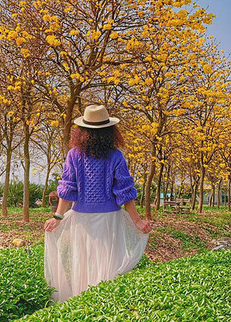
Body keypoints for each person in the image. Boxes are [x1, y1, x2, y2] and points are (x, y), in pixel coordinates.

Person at [44, 104, 151, 303]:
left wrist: (58, 217)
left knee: (83, 263)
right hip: (108, 220)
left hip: (82, 220)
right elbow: (125, 192)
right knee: (107, 264)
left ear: (81, 132)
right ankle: (105, 307)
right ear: (110, 132)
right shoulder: (115, 156)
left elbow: (67, 189)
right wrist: (136, 221)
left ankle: (84, 307)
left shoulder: (74, 155)